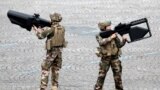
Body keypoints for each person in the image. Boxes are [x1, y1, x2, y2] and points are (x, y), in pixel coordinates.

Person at [32, 12, 67, 90]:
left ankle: (43, 87)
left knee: (45, 67)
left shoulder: (50, 28)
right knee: (56, 68)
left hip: (51, 52)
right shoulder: (62, 28)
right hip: (59, 52)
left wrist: (37, 30)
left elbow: (40, 36)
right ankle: (54, 86)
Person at [94, 20, 127, 90]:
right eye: (108, 26)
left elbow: (119, 45)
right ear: (103, 27)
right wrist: (110, 38)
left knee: (118, 78)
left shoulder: (113, 34)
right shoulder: (99, 35)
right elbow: (101, 42)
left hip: (115, 58)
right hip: (105, 59)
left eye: (110, 26)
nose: (110, 27)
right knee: (101, 77)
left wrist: (123, 40)